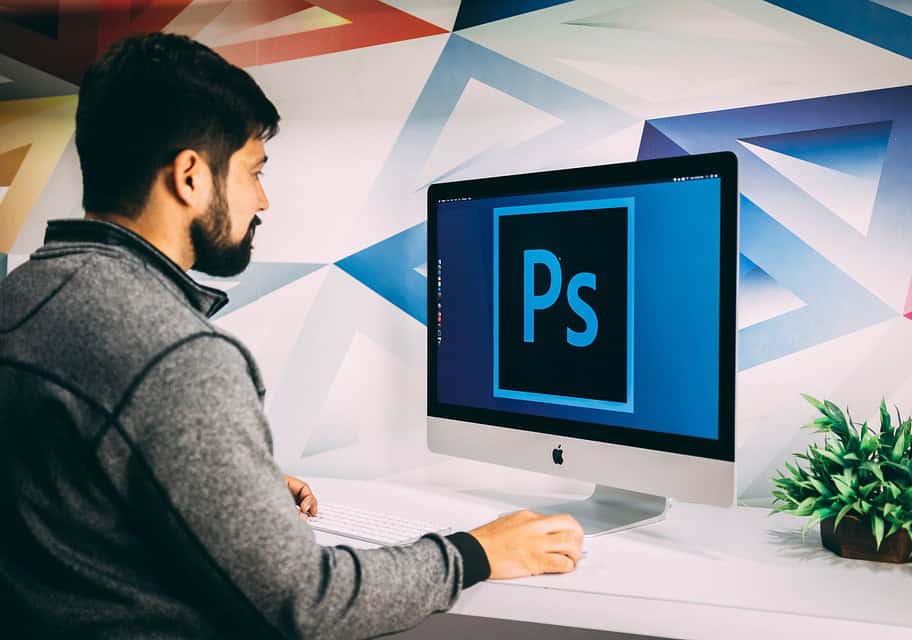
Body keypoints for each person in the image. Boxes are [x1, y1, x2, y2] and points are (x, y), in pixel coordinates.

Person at [0, 32, 583, 638]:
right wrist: (475, 552)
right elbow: (308, 602)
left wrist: (224, 488)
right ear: (190, 177)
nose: (262, 200)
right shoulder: (174, 356)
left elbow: (71, 504)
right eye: (254, 172)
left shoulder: (23, 296)